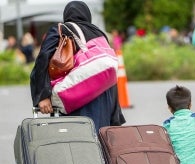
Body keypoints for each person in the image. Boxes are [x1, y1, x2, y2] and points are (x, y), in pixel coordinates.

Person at [30, 1, 125, 132]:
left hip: (77, 97)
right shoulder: (100, 34)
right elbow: (108, 71)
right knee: (100, 141)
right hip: (104, 100)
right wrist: (115, 115)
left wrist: (42, 96)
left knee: (77, 142)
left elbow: (43, 60)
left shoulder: (61, 29)